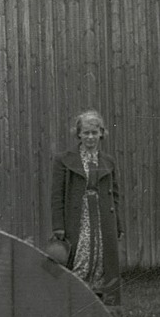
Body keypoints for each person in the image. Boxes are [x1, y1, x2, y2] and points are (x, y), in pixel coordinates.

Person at [50, 109, 123, 305]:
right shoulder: (64, 160)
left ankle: (102, 303)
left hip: (102, 217)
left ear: (101, 133)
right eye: (86, 133)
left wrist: (117, 225)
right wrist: (58, 225)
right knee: (79, 255)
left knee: (100, 256)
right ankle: (74, 300)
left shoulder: (108, 161)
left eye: (94, 132)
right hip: (78, 217)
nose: (90, 137)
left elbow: (114, 196)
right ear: (79, 134)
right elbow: (57, 195)